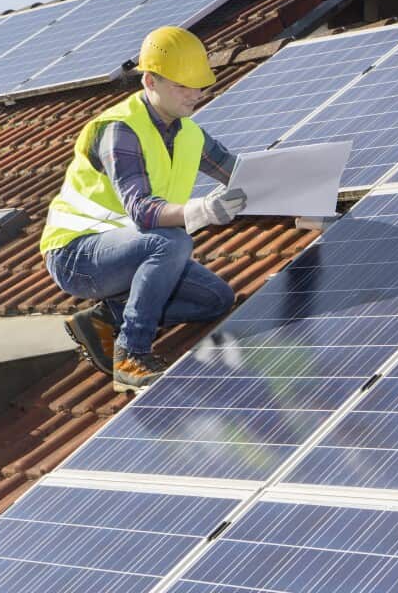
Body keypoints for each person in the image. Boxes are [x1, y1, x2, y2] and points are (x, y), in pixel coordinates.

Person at [40, 26, 246, 392]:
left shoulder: (190, 134)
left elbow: (241, 175)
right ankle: (131, 353)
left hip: (129, 249)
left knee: (217, 300)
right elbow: (142, 211)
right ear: (150, 81)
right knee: (172, 242)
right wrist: (201, 210)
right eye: (183, 85)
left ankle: (107, 317)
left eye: (198, 85)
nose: (194, 94)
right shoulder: (120, 130)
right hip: (76, 254)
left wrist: (303, 192)